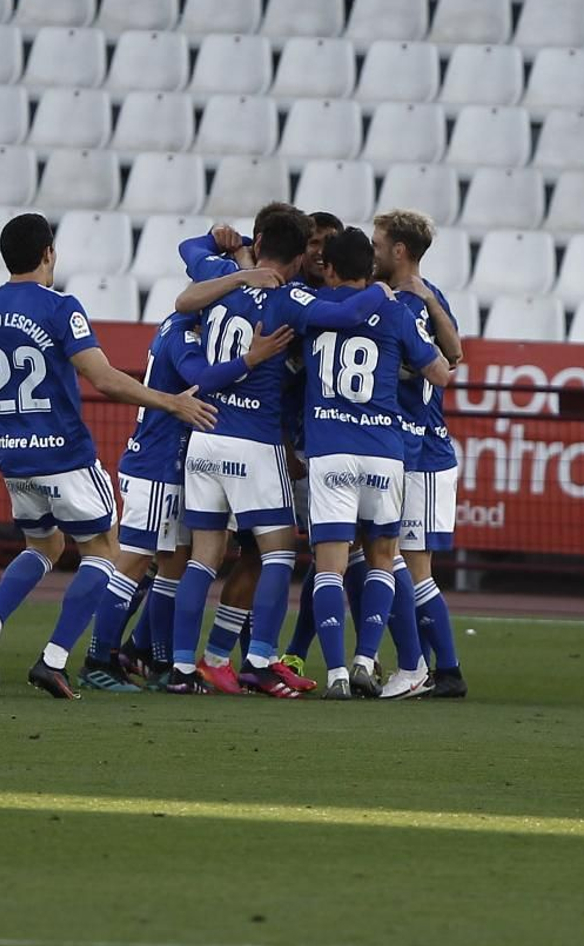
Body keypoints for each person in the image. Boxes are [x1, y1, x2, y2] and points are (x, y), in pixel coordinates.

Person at [0, 212, 216, 700]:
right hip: (65, 456)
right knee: (104, 552)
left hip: (15, 459)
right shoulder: (60, 308)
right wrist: (170, 401)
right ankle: (53, 660)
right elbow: (104, 378)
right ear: (48, 253)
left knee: (44, 548)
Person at [170, 208, 390, 697]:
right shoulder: (289, 297)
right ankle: (260, 659)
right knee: (279, 552)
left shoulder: (223, 275)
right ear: (298, 257)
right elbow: (347, 313)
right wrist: (381, 288)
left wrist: (226, 243)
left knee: (204, 557)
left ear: (260, 240)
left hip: (206, 434)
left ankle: (187, 669)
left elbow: (190, 250)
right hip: (253, 439)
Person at [77, 294, 294, 691]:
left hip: (171, 466)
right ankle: (97, 658)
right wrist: (252, 357)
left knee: (172, 565)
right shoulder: (182, 336)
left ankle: (159, 662)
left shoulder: (184, 329)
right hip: (157, 464)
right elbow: (202, 376)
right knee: (134, 562)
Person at [305, 227, 452, 700]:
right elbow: (442, 373)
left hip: (329, 450)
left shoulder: (308, 307)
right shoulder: (392, 310)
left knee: (329, 567)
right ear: (369, 267)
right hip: (383, 453)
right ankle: (366, 660)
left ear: (327, 268)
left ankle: (335, 676)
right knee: (383, 562)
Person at [373, 209, 467, 699]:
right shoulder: (396, 299)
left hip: (424, 449)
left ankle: (443, 670)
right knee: (400, 563)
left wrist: (427, 299)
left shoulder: (420, 301)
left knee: (412, 566)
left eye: (377, 244)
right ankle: (430, 666)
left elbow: (453, 357)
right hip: (406, 448)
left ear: (399, 251)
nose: (373, 252)